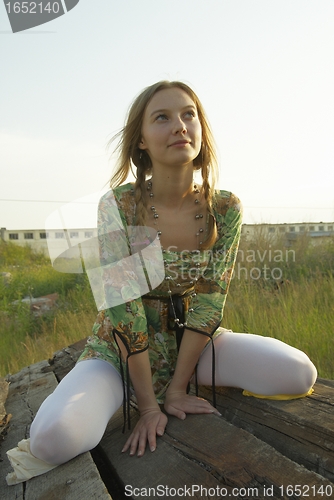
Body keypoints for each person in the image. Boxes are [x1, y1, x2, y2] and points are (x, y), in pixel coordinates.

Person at [6, 81, 317, 484]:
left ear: (201, 131)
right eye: (162, 117)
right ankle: (116, 391)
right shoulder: (118, 205)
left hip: (193, 341)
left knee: (297, 373)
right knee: (54, 439)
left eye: (189, 114)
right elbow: (125, 307)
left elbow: (209, 301)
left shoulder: (224, 208)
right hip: (120, 349)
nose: (180, 126)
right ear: (141, 140)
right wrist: (150, 407)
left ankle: (177, 380)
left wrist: (178, 387)